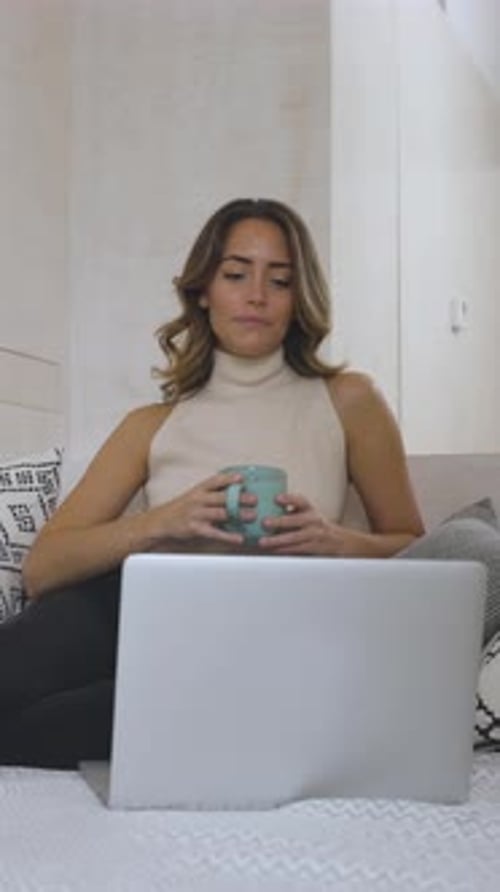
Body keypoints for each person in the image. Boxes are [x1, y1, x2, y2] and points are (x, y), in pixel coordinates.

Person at [0, 197, 424, 768]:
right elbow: (44, 566)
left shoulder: (350, 401)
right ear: (203, 289)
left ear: (300, 299)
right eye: (235, 274)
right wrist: (160, 523)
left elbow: (415, 545)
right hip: (141, 612)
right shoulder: (150, 425)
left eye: (280, 280)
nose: (256, 296)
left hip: (267, 642)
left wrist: (336, 542)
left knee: (36, 731)